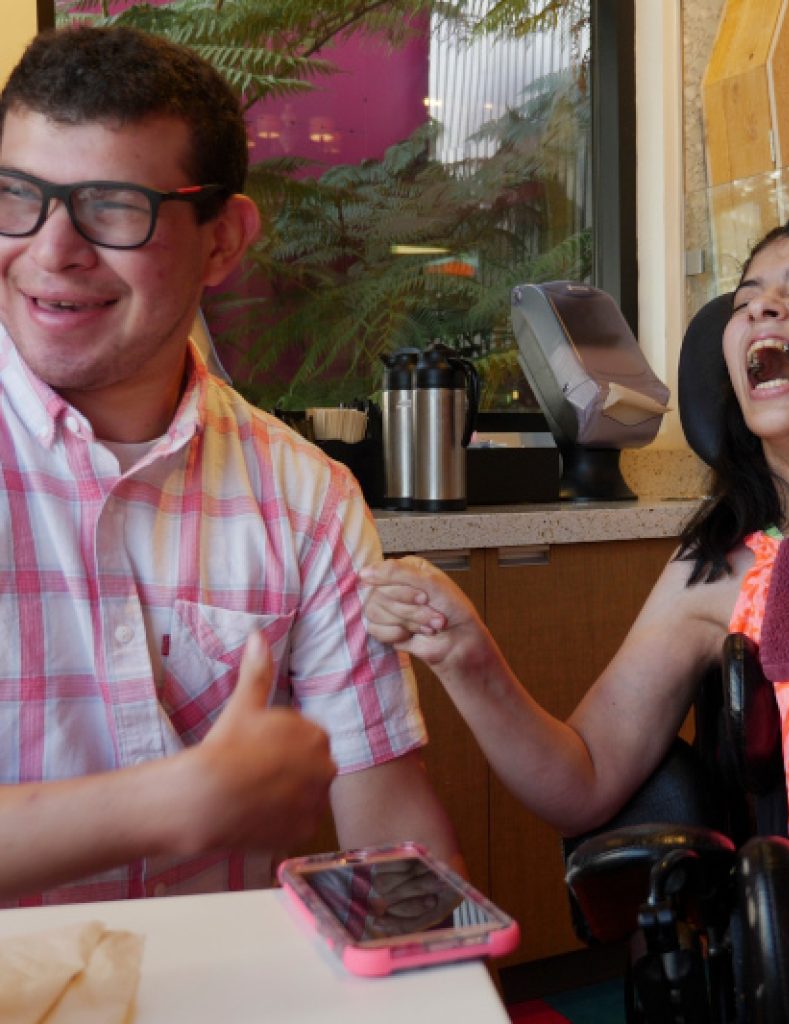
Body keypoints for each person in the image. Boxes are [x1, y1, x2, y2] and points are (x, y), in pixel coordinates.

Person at [362, 207, 789, 1022]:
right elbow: (583, 783)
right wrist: (469, 658)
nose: (761, 310)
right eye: (747, 299)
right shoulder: (727, 570)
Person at [0, 25, 460, 904]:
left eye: (111, 205)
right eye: (17, 194)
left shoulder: (306, 498)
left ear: (222, 241)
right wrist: (164, 806)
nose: (51, 249)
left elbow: (392, 839)